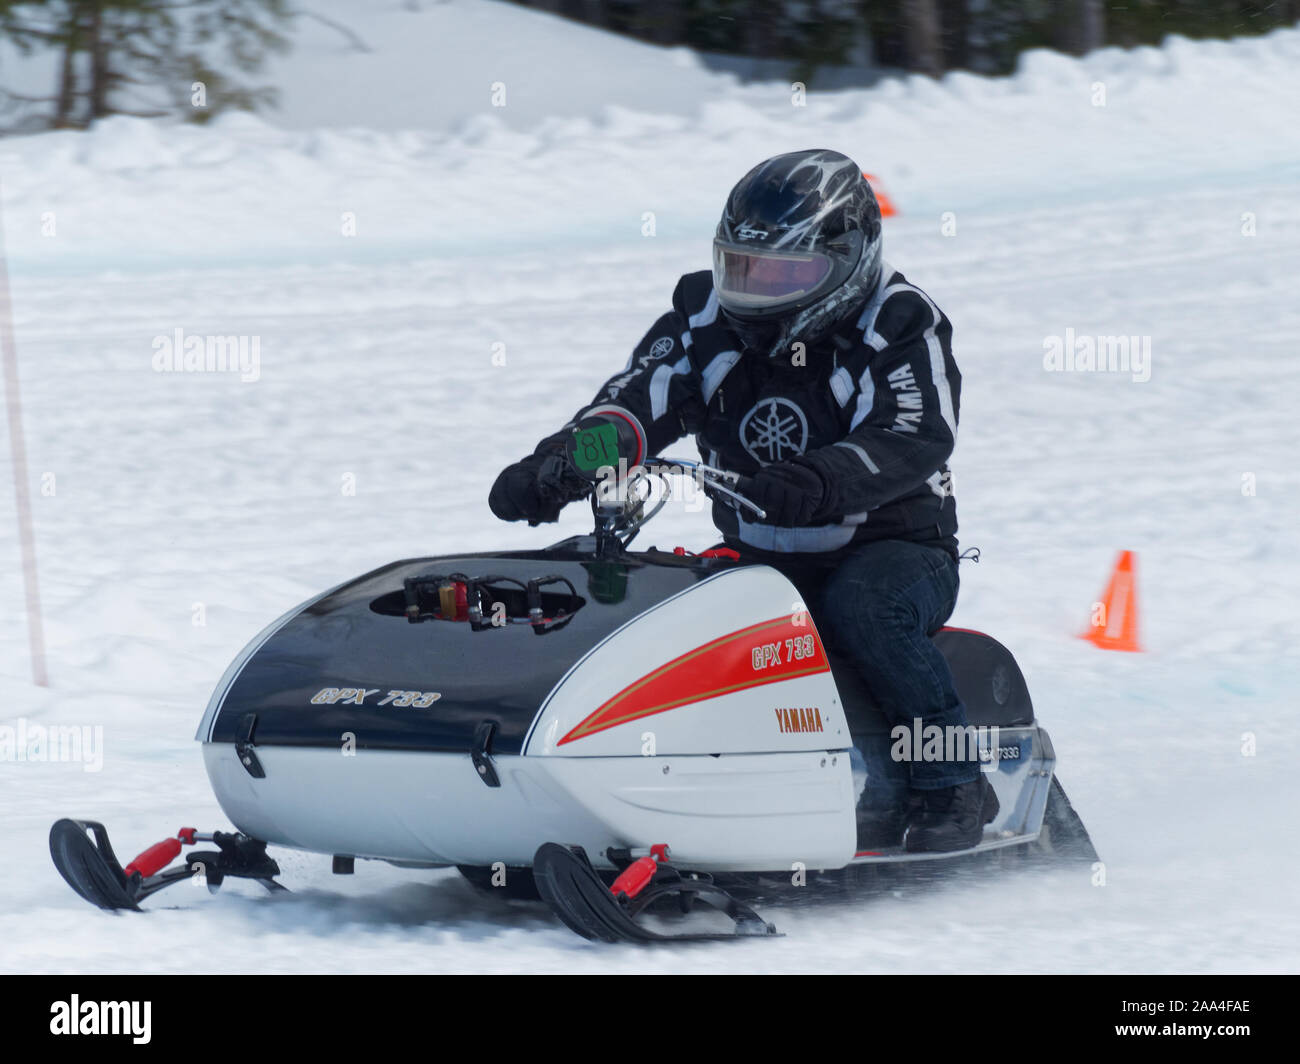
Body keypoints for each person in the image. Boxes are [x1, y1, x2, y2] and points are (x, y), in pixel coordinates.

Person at [488, 148, 996, 852]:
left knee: (864, 607)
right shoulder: (704, 321)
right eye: (743, 269)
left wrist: (817, 481)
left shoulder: (900, 323)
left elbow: (914, 433)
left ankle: (953, 782)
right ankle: (652, 779)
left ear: (846, 262)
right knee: (665, 611)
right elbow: (639, 403)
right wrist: (568, 463)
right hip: (764, 550)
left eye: (786, 274)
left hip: (896, 548)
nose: (756, 292)